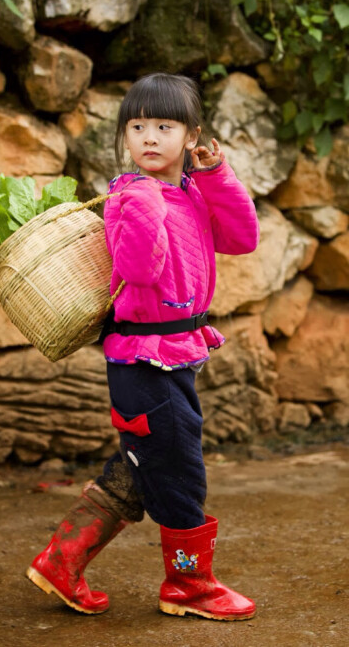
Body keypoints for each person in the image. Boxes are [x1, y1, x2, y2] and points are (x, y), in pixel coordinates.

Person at [26, 73, 260, 621]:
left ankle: (61, 562)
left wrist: (216, 174)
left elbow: (242, 238)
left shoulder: (194, 192)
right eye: (137, 127)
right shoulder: (129, 196)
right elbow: (136, 269)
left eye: (164, 126)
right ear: (125, 137)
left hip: (177, 353)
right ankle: (189, 585)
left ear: (191, 135)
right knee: (179, 471)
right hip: (141, 362)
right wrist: (143, 200)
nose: (150, 137)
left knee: (143, 465)